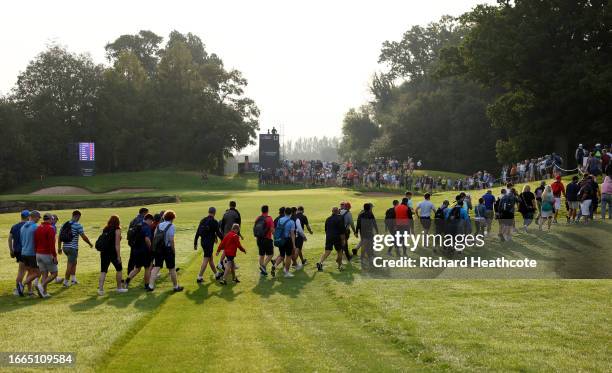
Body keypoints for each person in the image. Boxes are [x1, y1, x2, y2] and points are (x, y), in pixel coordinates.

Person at [149, 210, 183, 292]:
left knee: (156, 267)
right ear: (172, 218)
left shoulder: (159, 225)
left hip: (158, 249)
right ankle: (175, 286)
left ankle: (150, 286)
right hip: (167, 249)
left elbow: (154, 236)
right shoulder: (171, 226)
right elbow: (171, 240)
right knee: (172, 268)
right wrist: (173, 250)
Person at [57, 210, 92, 287]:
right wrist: (89, 243)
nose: (79, 219)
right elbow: (83, 236)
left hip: (65, 247)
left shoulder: (65, 224)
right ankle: (65, 282)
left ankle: (73, 279)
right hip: (72, 248)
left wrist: (59, 248)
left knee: (74, 262)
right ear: (77, 216)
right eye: (79, 217)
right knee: (70, 264)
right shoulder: (77, 225)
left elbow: (59, 237)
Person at [97, 215, 128, 295]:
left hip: (104, 252)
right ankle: (119, 288)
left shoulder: (105, 229)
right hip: (113, 253)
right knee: (119, 269)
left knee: (103, 271)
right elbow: (117, 245)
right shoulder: (117, 230)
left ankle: (100, 290)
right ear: (118, 222)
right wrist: (118, 256)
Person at [194, 207, 224, 283]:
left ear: (208, 212)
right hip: (209, 243)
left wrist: (195, 243)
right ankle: (199, 277)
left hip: (203, 242)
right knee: (206, 259)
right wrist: (224, 240)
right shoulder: (214, 221)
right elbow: (218, 233)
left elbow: (198, 232)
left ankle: (217, 274)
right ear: (214, 213)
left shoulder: (203, 220)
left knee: (210, 259)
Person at [125, 214, 154, 289]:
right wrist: (150, 248)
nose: (151, 223)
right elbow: (147, 239)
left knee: (137, 268)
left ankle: (127, 280)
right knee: (147, 268)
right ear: (148, 219)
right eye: (151, 221)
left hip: (136, 250)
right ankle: (147, 285)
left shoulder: (138, 225)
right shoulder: (147, 227)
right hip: (144, 251)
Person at [34, 213, 58, 298]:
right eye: (52, 219)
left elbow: (35, 242)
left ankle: (44, 292)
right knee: (54, 273)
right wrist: (54, 256)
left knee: (44, 274)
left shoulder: (38, 228)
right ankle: (41, 285)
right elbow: (52, 244)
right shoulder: (51, 228)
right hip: (46, 254)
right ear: (50, 219)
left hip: (38, 254)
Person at [317, 207, 346, 272]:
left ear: (332, 211)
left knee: (327, 251)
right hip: (337, 237)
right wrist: (343, 240)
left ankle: (320, 263)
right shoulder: (340, 218)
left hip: (329, 236)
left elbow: (326, 230)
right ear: (337, 212)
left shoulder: (328, 219)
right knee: (339, 251)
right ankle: (340, 266)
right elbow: (342, 231)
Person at [20, 211, 41, 297]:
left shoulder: (23, 227)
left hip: (24, 252)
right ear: (35, 217)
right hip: (32, 253)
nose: (39, 220)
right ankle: (22, 284)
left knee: (30, 272)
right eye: (39, 218)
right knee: (38, 273)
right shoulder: (35, 227)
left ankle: (30, 292)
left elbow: (21, 240)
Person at [9, 210, 29, 296]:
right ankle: (18, 289)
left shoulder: (14, 226)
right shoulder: (27, 226)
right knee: (23, 271)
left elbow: (10, 238)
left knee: (22, 270)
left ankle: (20, 288)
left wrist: (11, 250)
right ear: (28, 217)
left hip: (17, 250)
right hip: (24, 251)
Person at [272, 207, 296, 278]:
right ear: (291, 213)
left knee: (282, 255)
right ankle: (287, 272)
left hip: (280, 240)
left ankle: (275, 266)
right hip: (288, 240)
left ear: (284, 213)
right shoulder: (291, 222)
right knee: (288, 256)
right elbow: (292, 234)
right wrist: (294, 245)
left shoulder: (280, 220)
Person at [253, 205, 274, 277]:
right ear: (267, 210)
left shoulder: (258, 218)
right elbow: (272, 230)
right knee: (270, 254)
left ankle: (263, 271)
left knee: (261, 255)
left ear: (261, 210)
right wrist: (275, 236)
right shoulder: (269, 218)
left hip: (259, 239)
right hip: (267, 239)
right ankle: (263, 266)